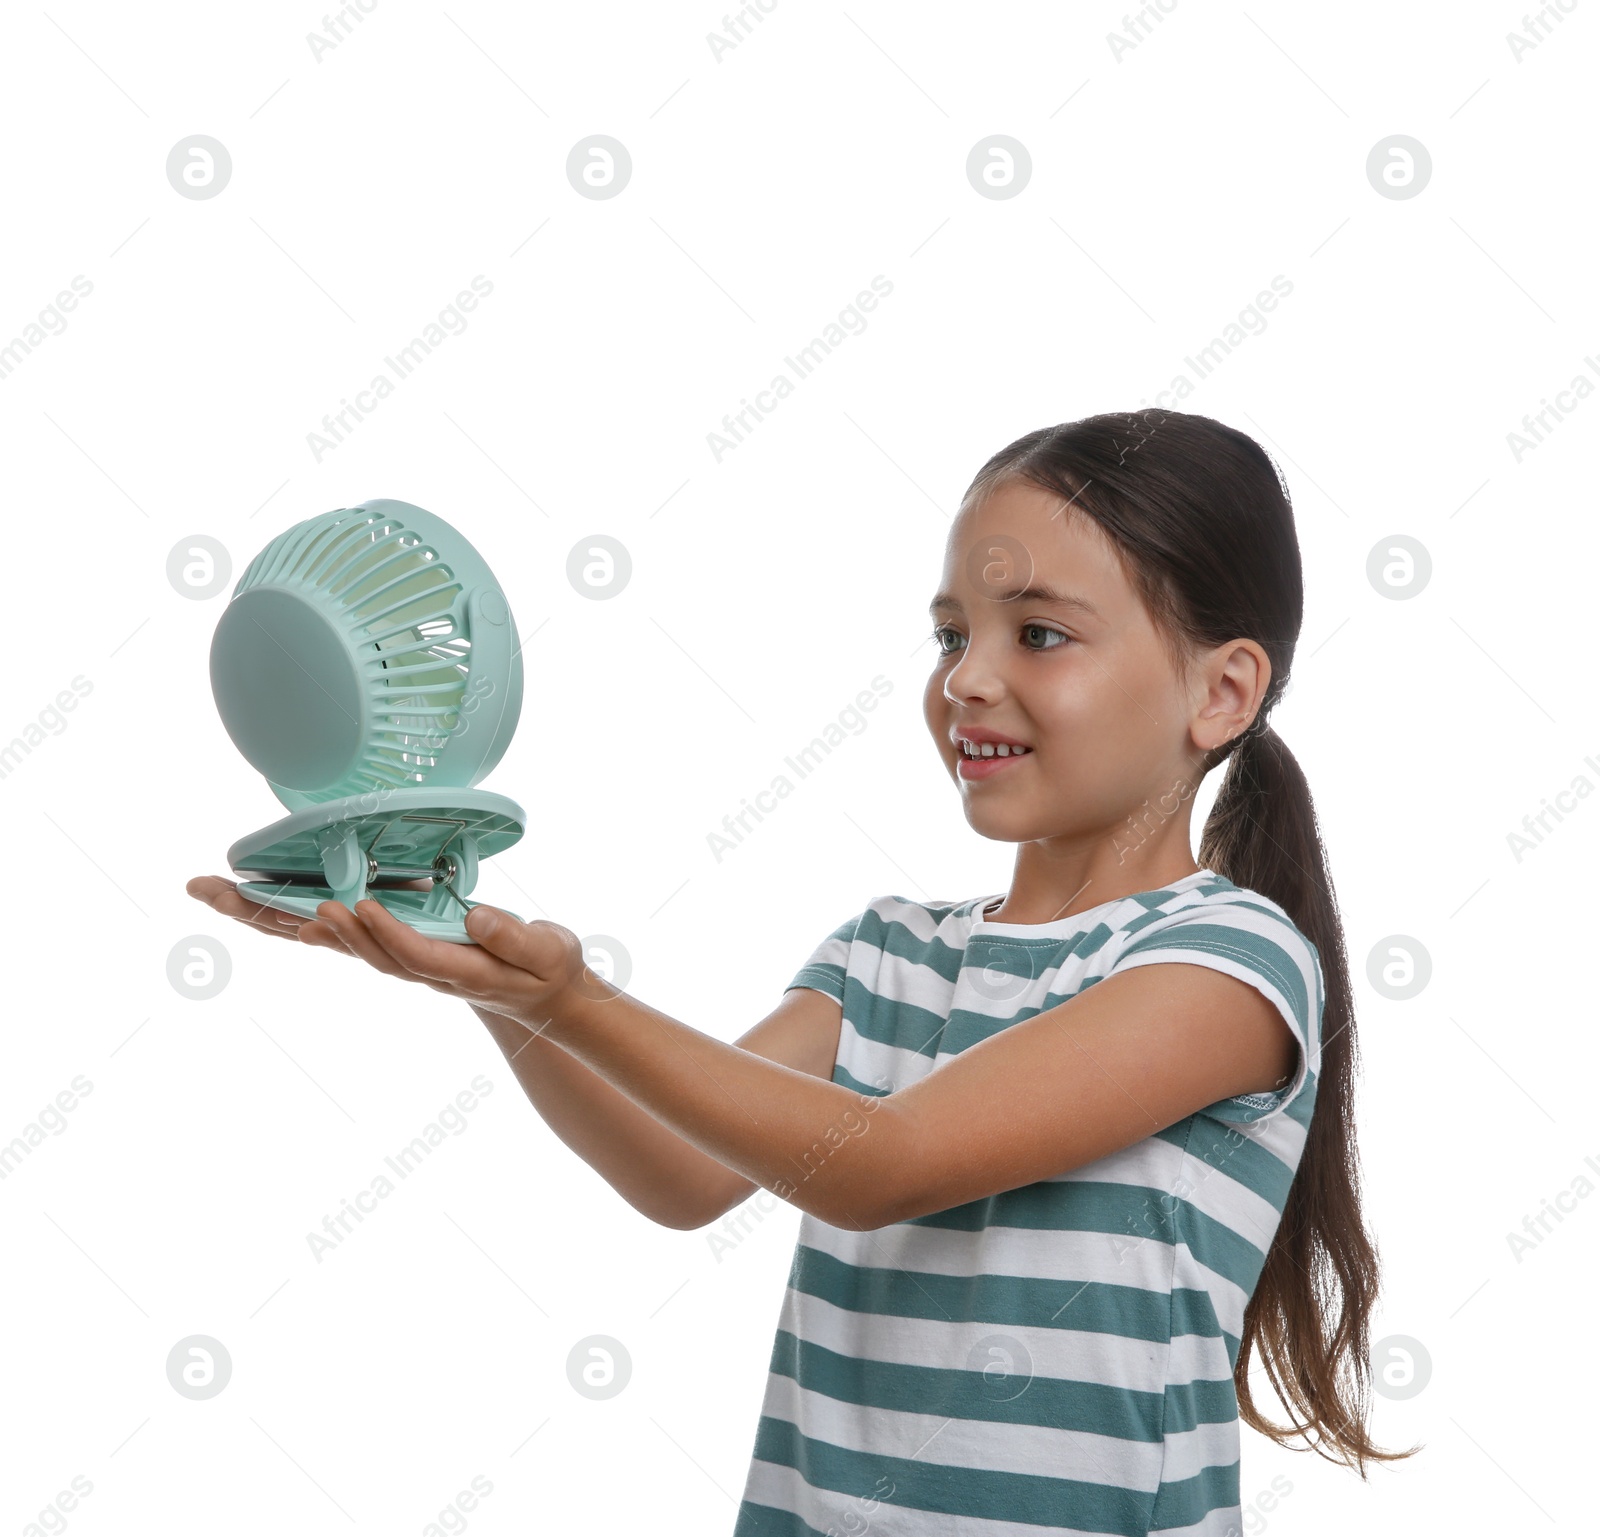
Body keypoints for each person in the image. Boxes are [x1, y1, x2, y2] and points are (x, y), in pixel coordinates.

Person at [190, 408, 1416, 1535]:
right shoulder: (889, 950)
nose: (967, 679)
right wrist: (497, 988)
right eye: (951, 635)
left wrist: (572, 998)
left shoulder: (1226, 964)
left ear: (1222, 690)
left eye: (1038, 633)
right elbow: (678, 1171)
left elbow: (885, 1165)